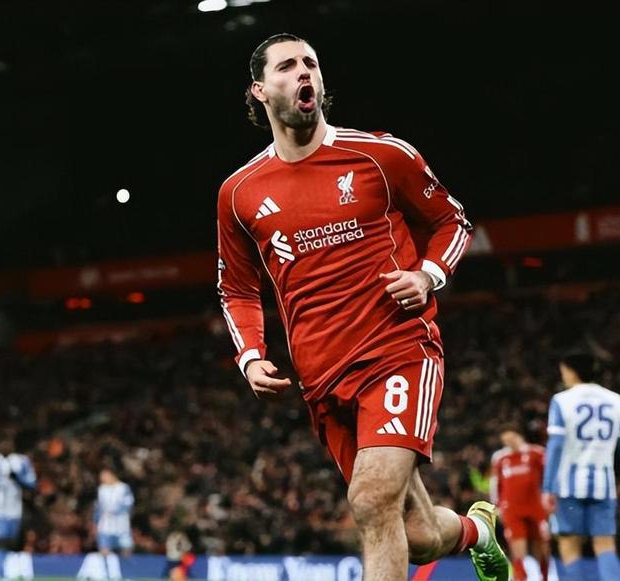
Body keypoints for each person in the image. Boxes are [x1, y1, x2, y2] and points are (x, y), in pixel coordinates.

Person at [216, 32, 511, 580]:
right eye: (287, 66)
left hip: (396, 350)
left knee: (372, 501)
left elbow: (452, 221)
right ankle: (478, 531)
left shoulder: (380, 155)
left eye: (310, 62)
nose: (304, 72)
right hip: (321, 376)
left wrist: (427, 275)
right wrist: (251, 356)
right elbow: (236, 287)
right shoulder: (240, 192)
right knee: (416, 536)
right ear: (259, 90)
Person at [542, 351, 620, 581]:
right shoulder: (616, 400)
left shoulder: (562, 400)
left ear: (572, 371)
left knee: (569, 542)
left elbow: (556, 445)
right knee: (605, 543)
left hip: (568, 485)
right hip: (604, 485)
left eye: (564, 371)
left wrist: (547, 487)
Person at [490, 423, 550, 580]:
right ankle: (520, 577)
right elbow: (495, 484)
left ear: (519, 436)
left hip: (536, 507)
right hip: (511, 509)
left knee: (541, 545)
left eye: (511, 439)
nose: (509, 443)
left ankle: (544, 575)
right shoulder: (500, 458)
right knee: (517, 545)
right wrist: (496, 506)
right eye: (505, 441)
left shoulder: (537, 453)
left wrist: (549, 498)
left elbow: (548, 478)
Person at [0, 436, 37, 575]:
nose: (6, 445)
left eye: (8, 442)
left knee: (12, 543)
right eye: (3, 442)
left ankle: (7, 571)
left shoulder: (22, 461)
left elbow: (32, 483)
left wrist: (18, 479)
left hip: (14, 509)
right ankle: (0, 573)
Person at [93, 467, 135, 557]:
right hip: (106, 523)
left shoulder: (123, 488)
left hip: (121, 523)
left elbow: (129, 503)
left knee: (126, 547)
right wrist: (96, 520)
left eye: (105, 476)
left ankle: (126, 563)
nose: (103, 478)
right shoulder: (102, 489)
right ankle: (106, 562)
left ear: (112, 475)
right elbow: (99, 506)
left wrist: (117, 511)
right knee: (104, 547)